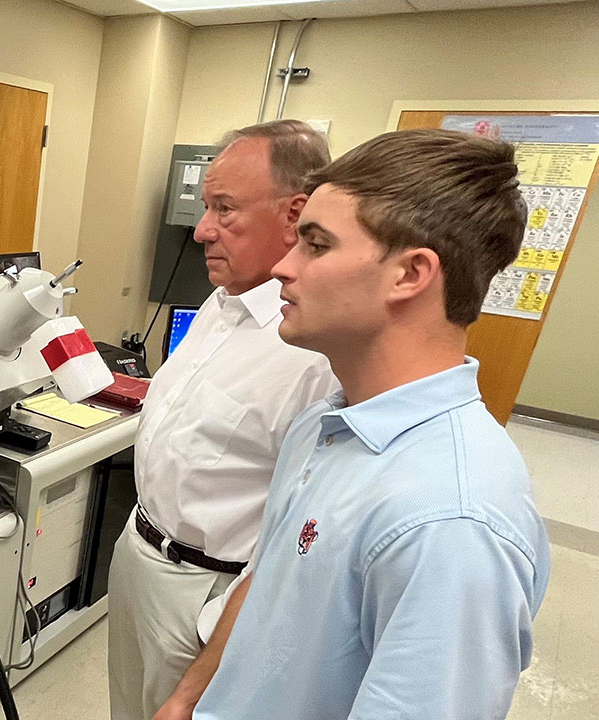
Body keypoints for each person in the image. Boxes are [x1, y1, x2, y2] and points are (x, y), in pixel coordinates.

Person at [184, 129, 551, 719]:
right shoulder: (326, 424)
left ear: (410, 275)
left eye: (316, 245)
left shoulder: (449, 520)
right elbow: (271, 591)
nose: (282, 266)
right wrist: (191, 697)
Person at [108, 120, 337, 720]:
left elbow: (291, 543)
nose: (201, 228)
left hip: (204, 591)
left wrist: (200, 678)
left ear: (296, 215)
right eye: (206, 205)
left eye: (224, 209)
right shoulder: (220, 300)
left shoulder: (314, 354)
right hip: (139, 549)